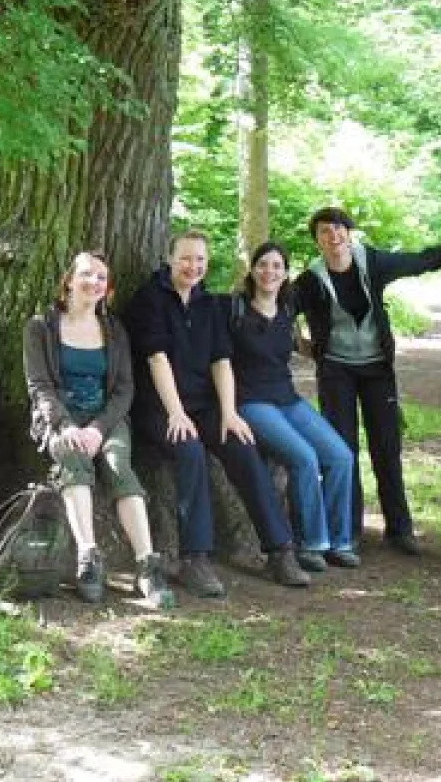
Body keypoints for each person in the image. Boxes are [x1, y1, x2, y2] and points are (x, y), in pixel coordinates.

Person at [124, 229, 311, 597]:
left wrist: (229, 413)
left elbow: (221, 361)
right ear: (169, 259)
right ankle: (196, 558)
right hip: (158, 406)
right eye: (186, 258)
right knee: (189, 448)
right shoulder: (149, 299)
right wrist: (176, 414)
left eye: (200, 260)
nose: (193, 266)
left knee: (243, 445)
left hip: (204, 404)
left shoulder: (209, 305)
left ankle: (279, 549)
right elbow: (156, 358)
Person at [293, 207, 441, 555]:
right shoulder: (311, 280)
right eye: (325, 233)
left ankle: (399, 529)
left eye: (339, 230)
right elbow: (277, 309)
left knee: (387, 447)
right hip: (336, 372)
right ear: (317, 241)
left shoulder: (372, 262)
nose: (334, 238)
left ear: (350, 233)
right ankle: (349, 529)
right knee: (342, 449)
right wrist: (300, 345)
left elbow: (421, 261)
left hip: (377, 370)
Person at [23, 252, 174, 609]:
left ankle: (147, 566)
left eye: (102, 278)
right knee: (74, 460)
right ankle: (88, 559)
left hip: (107, 419)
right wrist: (66, 425)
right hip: (60, 419)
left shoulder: (115, 330)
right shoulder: (40, 327)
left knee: (120, 467)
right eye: (87, 274)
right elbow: (39, 385)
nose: (94, 282)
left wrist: (98, 428)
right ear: (69, 281)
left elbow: (124, 389)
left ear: (108, 288)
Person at [228, 241, 360, 573]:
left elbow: (299, 345)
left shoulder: (287, 310)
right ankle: (310, 543)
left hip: (288, 399)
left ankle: (339, 541)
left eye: (276, 266)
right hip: (251, 401)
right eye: (262, 265)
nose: (269, 272)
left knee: (340, 456)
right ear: (252, 269)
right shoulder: (234, 309)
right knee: (304, 457)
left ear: (285, 274)